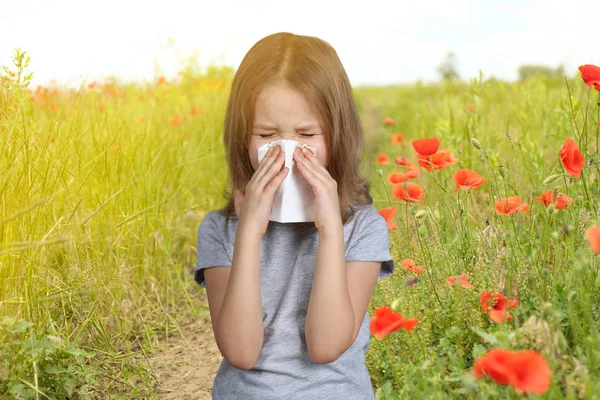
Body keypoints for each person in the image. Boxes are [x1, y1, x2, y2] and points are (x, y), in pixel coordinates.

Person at [194, 31, 395, 399]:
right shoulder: (220, 230)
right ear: (242, 138)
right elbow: (240, 351)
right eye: (267, 135)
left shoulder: (363, 228)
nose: (287, 152)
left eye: (306, 134)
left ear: (337, 135)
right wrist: (249, 233)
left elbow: (326, 346)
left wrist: (331, 228)